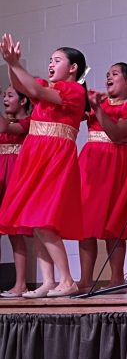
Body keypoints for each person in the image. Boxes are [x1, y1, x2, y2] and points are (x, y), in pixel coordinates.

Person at [0, 38, 87, 297]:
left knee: (44, 220)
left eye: (57, 60)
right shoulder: (43, 86)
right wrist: (10, 64)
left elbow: (36, 94)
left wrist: (15, 63)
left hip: (55, 156)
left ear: (73, 68)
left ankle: (67, 280)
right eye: (50, 60)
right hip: (35, 155)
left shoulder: (74, 91)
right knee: (35, 222)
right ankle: (48, 281)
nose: (51, 64)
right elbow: (21, 86)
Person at [77, 63, 127, 292]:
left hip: (121, 166)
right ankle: (85, 280)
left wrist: (98, 109)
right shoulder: (98, 102)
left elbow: (117, 134)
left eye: (115, 74)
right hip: (92, 165)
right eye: (107, 74)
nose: (108, 77)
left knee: (117, 225)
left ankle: (119, 279)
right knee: (85, 225)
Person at [0, 86, 32, 297]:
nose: (4, 99)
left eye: (10, 95)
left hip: (15, 172)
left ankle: (21, 284)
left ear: (22, 101)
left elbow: (10, 130)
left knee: (15, 232)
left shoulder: (28, 122)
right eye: (3, 95)